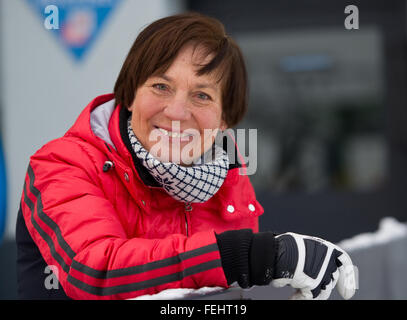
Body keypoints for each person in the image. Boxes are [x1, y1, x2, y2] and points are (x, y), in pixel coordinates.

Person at [16, 12, 356, 300]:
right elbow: (95, 271)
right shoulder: (64, 164)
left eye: (202, 95)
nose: (177, 112)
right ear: (131, 94)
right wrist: (246, 256)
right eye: (161, 87)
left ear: (224, 119)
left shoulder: (228, 176)